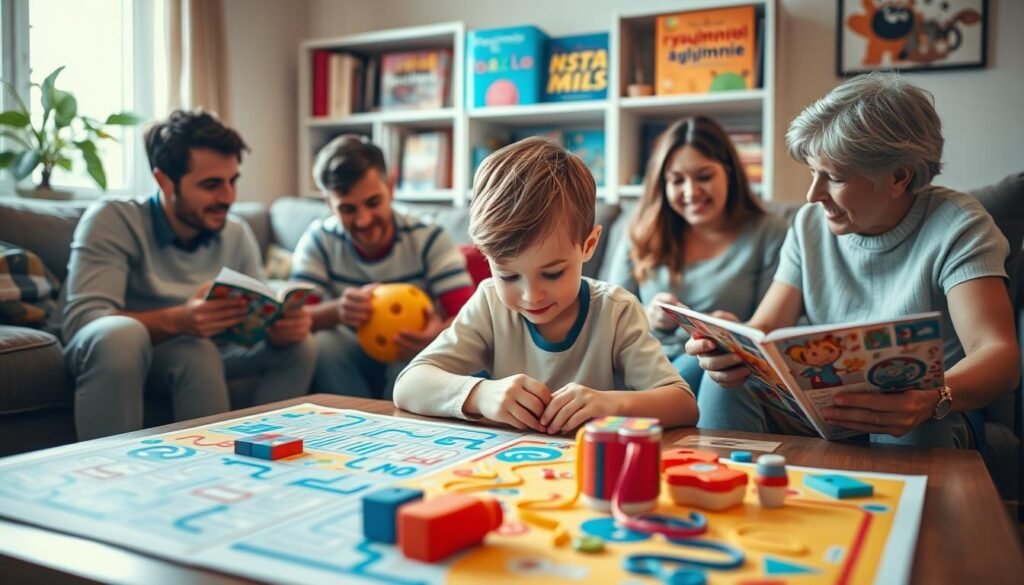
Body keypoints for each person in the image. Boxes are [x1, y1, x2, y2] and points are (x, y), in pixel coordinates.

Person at [686, 73, 1020, 448]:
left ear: (898, 176)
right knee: (727, 385)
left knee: (909, 426)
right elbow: (765, 327)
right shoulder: (810, 225)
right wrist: (732, 345)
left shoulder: (959, 225)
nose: (813, 195)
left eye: (835, 178)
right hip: (823, 406)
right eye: (813, 172)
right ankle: (728, 500)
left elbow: (998, 355)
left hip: (927, 412)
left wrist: (932, 398)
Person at [393, 137, 698, 434]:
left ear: (589, 244)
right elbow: (408, 386)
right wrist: (480, 395)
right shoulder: (489, 303)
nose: (531, 295)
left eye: (552, 274)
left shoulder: (616, 311)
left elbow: (684, 405)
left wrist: (610, 404)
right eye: (508, 276)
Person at [63, 109, 316, 440]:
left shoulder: (235, 232)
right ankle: (108, 473)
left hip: (197, 351)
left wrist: (279, 329)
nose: (227, 197)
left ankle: (265, 458)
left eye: (232, 181)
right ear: (164, 180)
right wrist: (178, 320)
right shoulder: (113, 219)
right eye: (211, 185)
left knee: (299, 347)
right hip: (120, 352)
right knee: (127, 335)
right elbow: (83, 321)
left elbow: (254, 321)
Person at [607, 116, 788, 394]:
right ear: (662, 185)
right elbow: (608, 318)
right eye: (677, 181)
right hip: (646, 367)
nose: (691, 192)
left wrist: (737, 331)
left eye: (704, 177)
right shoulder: (641, 230)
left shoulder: (768, 232)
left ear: (729, 172)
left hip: (726, 372)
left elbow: (775, 324)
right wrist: (649, 317)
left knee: (711, 369)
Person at [291, 135, 474, 399]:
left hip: (412, 349)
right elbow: (296, 317)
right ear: (327, 202)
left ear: (390, 186)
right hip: (349, 353)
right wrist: (338, 310)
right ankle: (348, 424)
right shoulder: (318, 240)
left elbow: (466, 316)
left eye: (373, 202)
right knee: (323, 344)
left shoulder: (428, 238)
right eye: (347, 209)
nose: (363, 220)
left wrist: (437, 335)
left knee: (412, 359)